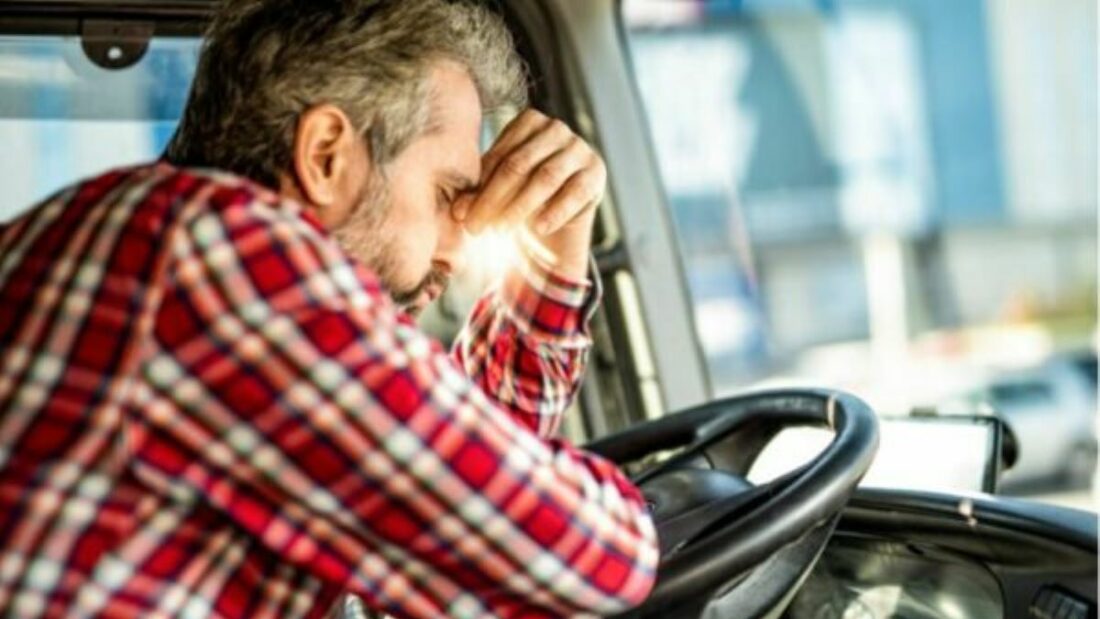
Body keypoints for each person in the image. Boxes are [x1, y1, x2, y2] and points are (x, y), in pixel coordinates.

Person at [0, 0, 659, 617]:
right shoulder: (234, 261)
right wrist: (645, 514)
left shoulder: (155, 235)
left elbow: (451, 490)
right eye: (445, 194)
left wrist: (552, 258)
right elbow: (596, 557)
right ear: (326, 156)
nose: (456, 251)